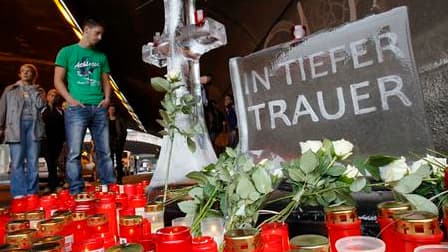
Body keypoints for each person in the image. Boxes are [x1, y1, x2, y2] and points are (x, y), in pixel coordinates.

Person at [54, 17, 115, 194]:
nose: (100, 37)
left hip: (98, 107)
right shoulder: (66, 52)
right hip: (76, 109)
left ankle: (108, 188)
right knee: (74, 152)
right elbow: (57, 80)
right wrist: (69, 99)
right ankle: (76, 190)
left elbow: (106, 80)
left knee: (104, 151)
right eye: (97, 33)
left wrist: (107, 98)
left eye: (101, 34)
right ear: (86, 30)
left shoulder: (101, 56)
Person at [0, 64, 46, 198]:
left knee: (33, 160)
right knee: (17, 161)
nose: (26, 73)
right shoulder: (10, 89)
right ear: (19, 74)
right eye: (23, 71)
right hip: (15, 126)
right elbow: (2, 109)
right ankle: (19, 192)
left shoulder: (39, 90)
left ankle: (32, 192)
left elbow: (40, 105)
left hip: (34, 127)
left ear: (34, 75)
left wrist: (33, 90)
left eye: (29, 71)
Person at [42, 89, 65, 192]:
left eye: (55, 95)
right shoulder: (42, 110)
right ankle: (53, 184)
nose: (53, 97)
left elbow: (64, 127)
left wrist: (64, 140)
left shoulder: (61, 111)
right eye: (51, 95)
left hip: (58, 141)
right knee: (50, 163)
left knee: (55, 163)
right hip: (46, 141)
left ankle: (52, 184)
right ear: (47, 97)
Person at [108, 104, 127, 184]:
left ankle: (119, 178)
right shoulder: (105, 120)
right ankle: (112, 177)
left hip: (118, 142)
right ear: (108, 111)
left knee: (119, 161)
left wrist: (122, 140)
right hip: (109, 142)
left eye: (113, 109)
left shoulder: (119, 119)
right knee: (110, 161)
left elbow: (124, 131)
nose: (112, 111)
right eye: (110, 109)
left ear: (114, 110)